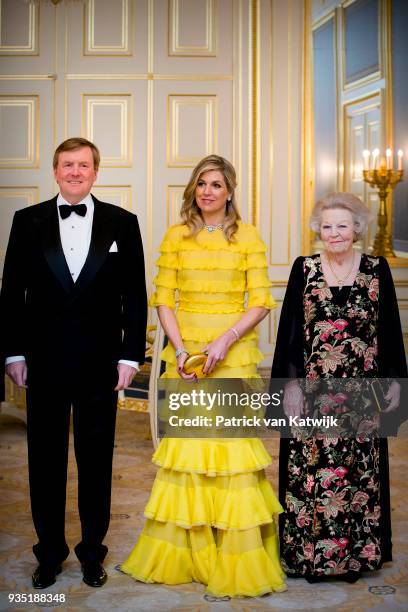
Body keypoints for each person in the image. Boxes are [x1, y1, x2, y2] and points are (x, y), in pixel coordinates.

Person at [121, 155, 286, 598]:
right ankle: (189, 553)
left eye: (216, 184)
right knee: (188, 451)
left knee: (229, 454)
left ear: (230, 191)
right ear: (194, 191)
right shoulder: (177, 237)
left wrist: (225, 341)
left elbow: (259, 301)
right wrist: (181, 349)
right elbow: (163, 298)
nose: (208, 191)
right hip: (188, 356)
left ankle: (233, 553)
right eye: (201, 184)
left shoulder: (247, 236)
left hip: (231, 354)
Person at [0, 138, 147, 589]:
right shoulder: (27, 221)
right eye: (68, 164)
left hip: (101, 363)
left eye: (84, 165)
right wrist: (14, 352)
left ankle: (91, 553)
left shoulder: (124, 222)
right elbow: (11, 294)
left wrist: (129, 356)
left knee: (96, 460)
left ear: (96, 171)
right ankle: (49, 555)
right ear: (55, 170)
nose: (76, 172)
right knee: (44, 461)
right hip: (42, 361)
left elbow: (135, 296)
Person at [271, 192, 407, 582]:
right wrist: (291, 386)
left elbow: (389, 332)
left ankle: (355, 558)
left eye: (342, 226)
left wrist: (395, 382)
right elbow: (292, 333)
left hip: (362, 396)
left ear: (357, 229)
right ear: (318, 230)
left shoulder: (376, 270)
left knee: (357, 476)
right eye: (327, 226)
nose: (334, 234)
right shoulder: (305, 268)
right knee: (311, 474)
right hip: (313, 394)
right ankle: (307, 556)